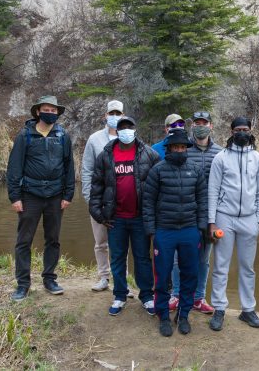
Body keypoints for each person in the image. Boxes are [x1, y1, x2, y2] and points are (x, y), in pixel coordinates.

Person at [88, 116, 161, 316]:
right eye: (122, 127)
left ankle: (146, 296)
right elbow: (96, 187)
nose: (126, 130)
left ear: (135, 130)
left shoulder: (149, 154)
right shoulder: (106, 155)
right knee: (118, 258)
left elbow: (159, 186)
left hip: (139, 218)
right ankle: (119, 295)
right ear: (117, 131)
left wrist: (154, 215)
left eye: (129, 127)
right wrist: (98, 214)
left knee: (142, 258)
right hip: (115, 219)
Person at [6, 95, 75, 301]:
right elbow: (14, 168)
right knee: (24, 240)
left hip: (56, 196)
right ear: (38, 111)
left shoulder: (63, 135)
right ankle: (23, 284)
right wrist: (15, 197)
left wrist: (68, 194)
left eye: (54, 111)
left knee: (53, 239)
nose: (50, 113)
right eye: (47, 110)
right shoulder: (25, 135)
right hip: (30, 196)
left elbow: (69, 166)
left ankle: (49, 279)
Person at [143, 128, 208, 336]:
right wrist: (152, 230)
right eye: (175, 147)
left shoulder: (195, 170)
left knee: (190, 274)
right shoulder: (158, 170)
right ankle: (163, 315)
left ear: (186, 149)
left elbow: (203, 200)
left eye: (182, 147)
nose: (179, 150)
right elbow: (148, 202)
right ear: (169, 148)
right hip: (165, 231)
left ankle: (184, 314)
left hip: (189, 230)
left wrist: (201, 227)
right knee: (162, 276)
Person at [207, 116, 259, 331]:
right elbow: (213, 190)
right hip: (225, 217)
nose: (242, 132)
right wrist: (212, 222)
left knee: (247, 267)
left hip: (249, 219)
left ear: (250, 131)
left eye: (245, 129)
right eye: (238, 129)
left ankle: (248, 309)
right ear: (231, 132)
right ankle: (219, 309)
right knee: (221, 266)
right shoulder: (221, 158)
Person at [168, 110, 222, 315]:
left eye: (204, 122)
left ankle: (198, 297)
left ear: (211, 126)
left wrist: (215, 218)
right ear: (192, 126)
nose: (201, 125)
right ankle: (177, 294)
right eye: (197, 122)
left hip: (209, 215)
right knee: (176, 258)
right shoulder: (183, 149)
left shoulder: (220, 152)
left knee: (203, 259)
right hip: (184, 213)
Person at [81, 100, 124, 293]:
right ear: (105, 116)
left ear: (123, 116)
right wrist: (90, 199)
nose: (114, 116)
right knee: (101, 242)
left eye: (118, 113)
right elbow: (87, 170)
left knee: (122, 243)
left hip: (124, 201)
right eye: (111, 113)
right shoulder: (94, 139)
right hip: (99, 199)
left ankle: (122, 282)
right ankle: (104, 277)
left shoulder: (129, 137)